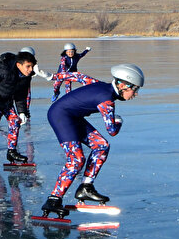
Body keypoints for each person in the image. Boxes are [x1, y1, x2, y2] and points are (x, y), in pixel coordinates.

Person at [40, 64, 144, 216]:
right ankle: (53, 200)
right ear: (123, 85)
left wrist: (52, 76)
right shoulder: (106, 100)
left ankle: (85, 188)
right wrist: (119, 121)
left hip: (73, 117)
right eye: (135, 89)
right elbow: (112, 130)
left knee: (101, 146)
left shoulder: (102, 85)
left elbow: (78, 76)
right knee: (76, 160)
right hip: (60, 116)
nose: (136, 94)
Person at [0, 51, 41, 167]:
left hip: (6, 102)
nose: (30, 69)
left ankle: (11, 152)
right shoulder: (4, 70)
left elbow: (21, 95)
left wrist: (22, 112)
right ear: (19, 65)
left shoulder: (26, 76)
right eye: (28, 66)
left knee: (15, 122)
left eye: (32, 66)